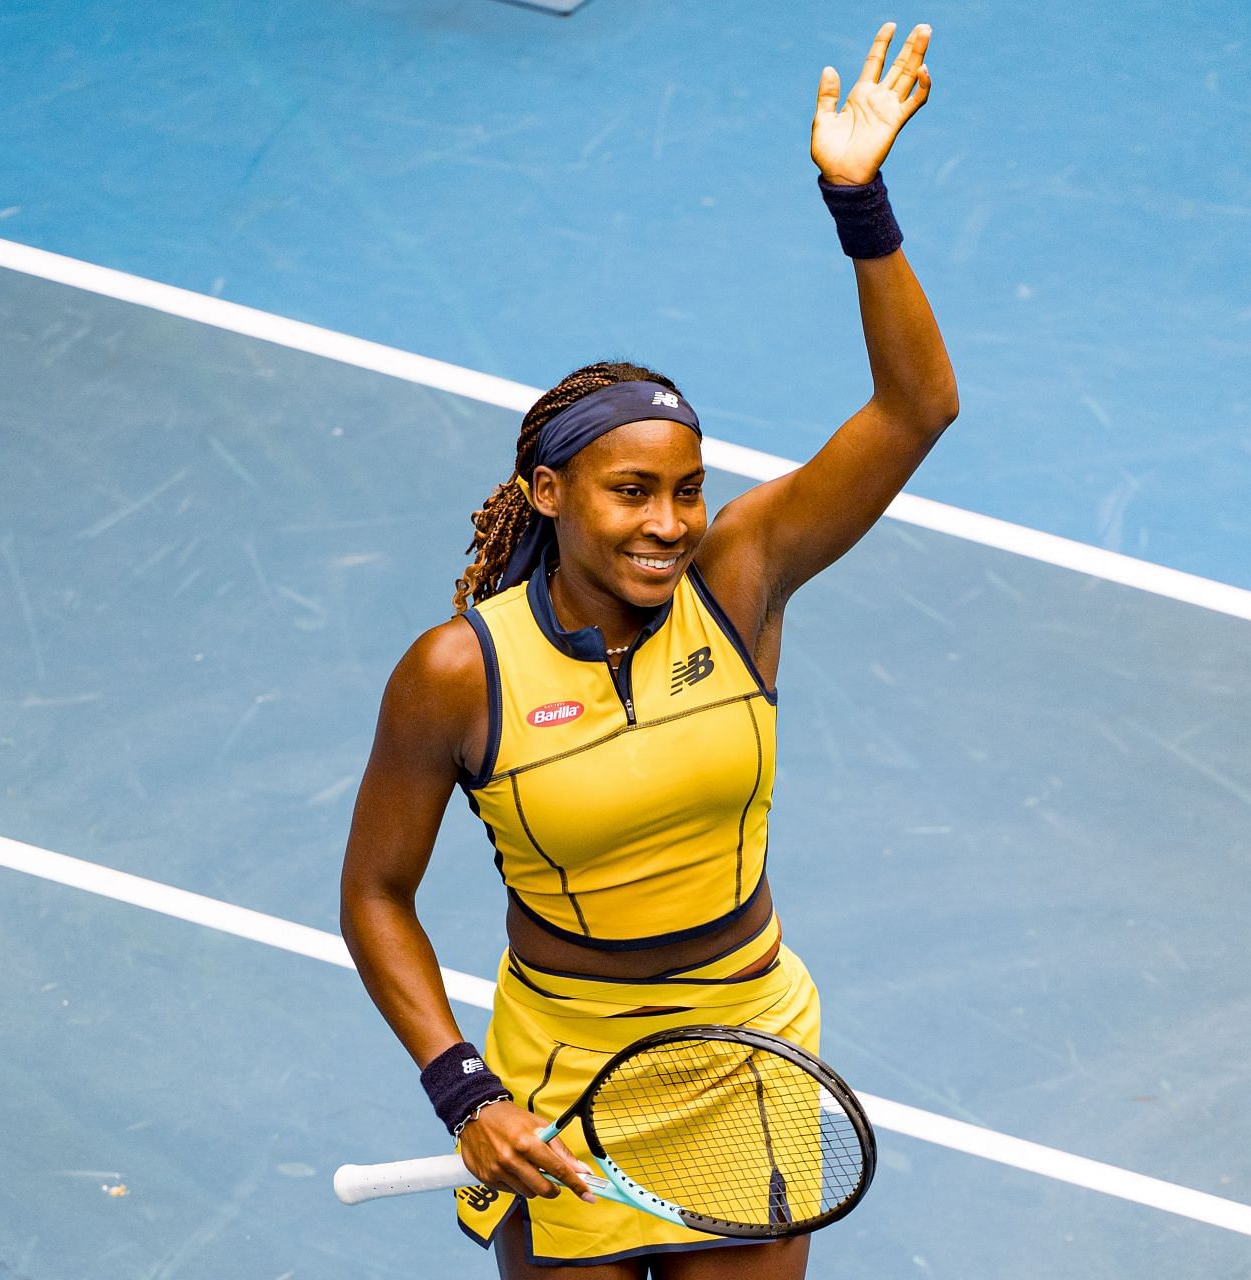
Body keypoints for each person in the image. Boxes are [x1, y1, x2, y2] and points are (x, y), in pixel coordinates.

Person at [339, 21, 954, 1279]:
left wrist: (861, 200)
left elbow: (915, 410)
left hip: (744, 1053)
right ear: (550, 493)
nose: (669, 522)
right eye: (631, 490)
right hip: (566, 1070)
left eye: (686, 489)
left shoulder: (740, 582)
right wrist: (466, 1090)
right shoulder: (461, 672)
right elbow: (373, 894)